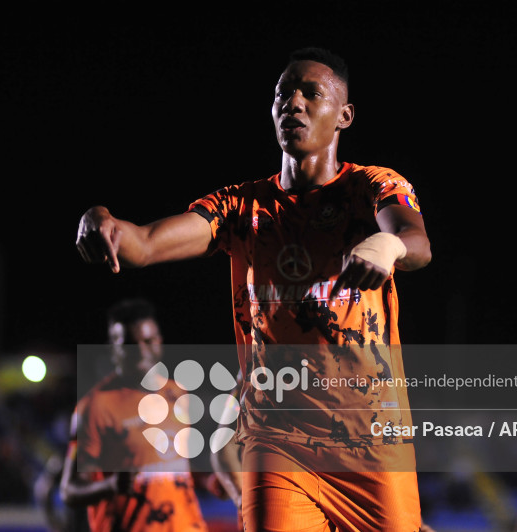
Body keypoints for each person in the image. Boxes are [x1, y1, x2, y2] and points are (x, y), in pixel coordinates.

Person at [76, 47, 433, 531]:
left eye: (312, 93)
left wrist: (389, 244)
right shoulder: (241, 208)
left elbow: (416, 241)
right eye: (284, 94)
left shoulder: (370, 187)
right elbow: (143, 244)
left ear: (344, 115)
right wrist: (103, 220)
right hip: (276, 439)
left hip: (369, 442)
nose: (294, 104)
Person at [60, 299, 211, 532]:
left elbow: (177, 468)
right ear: (113, 348)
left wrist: (209, 481)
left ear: (160, 341)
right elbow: (69, 491)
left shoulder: (178, 393)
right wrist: (110, 486)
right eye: (130, 343)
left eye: (148, 341)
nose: (141, 350)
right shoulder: (94, 407)